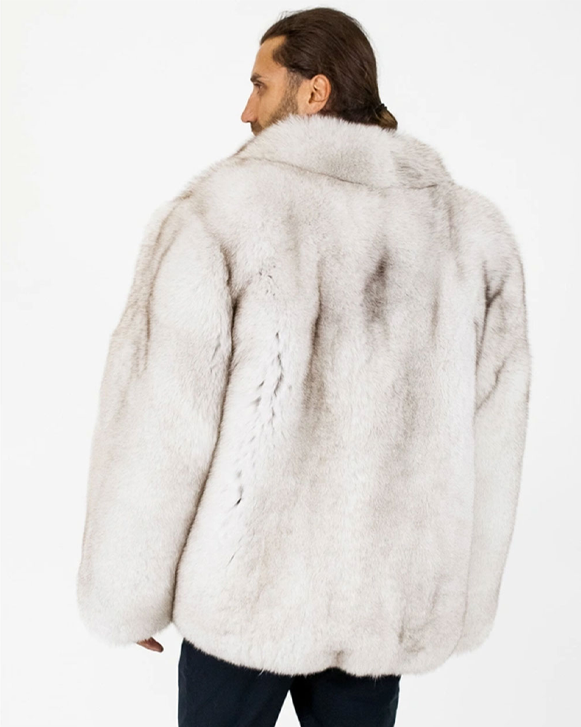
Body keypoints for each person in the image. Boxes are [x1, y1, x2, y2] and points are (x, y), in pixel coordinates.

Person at [75, 7, 532, 727]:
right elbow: (495, 437)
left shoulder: (219, 217)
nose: (245, 110)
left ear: (314, 92)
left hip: (242, 600)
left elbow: (164, 424)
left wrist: (128, 589)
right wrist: (463, 600)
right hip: (382, 606)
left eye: (260, 85)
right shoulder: (468, 236)